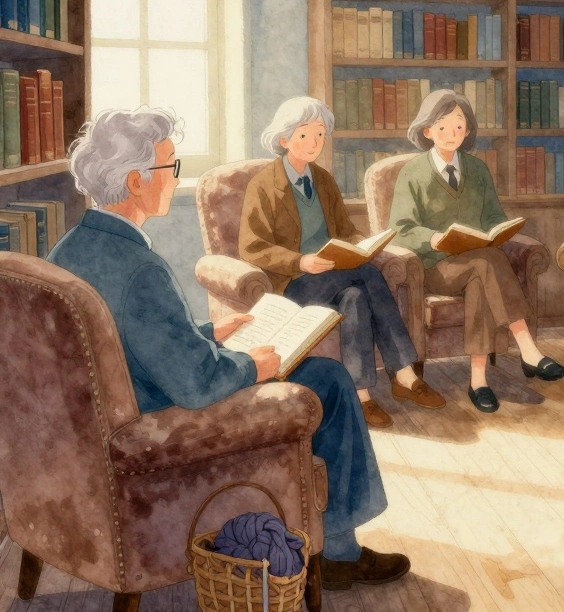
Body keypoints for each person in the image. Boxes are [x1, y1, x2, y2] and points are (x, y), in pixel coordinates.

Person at [47, 108, 409, 590]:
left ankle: (333, 542)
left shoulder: (70, 249)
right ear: (135, 182)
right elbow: (197, 384)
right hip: (157, 418)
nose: (174, 180)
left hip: (115, 408)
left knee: (314, 370)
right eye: (169, 167)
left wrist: (204, 331)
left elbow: (126, 334)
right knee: (329, 380)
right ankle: (341, 551)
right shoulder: (141, 269)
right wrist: (252, 365)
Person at [240, 96, 435, 430]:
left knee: (356, 298)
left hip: (337, 278)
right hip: (295, 285)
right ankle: (403, 373)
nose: (314, 142)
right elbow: (252, 246)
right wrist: (301, 261)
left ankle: (361, 396)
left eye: (319, 134)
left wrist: (362, 245)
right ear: (284, 139)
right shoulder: (263, 185)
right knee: (369, 275)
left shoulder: (324, 180)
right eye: (304, 135)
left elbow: (345, 230)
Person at [388, 88, 564, 414]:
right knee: (488, 264)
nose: (450, 133)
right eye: (442, 125)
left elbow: (493, 217)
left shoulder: (479, 170)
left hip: (475, 265)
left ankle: (479, 381)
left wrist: (500, 230)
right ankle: (528, 349)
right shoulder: (412, 173)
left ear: (468, 131)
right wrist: (434, 239)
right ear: (427, 130)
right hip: (434, 268)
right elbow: (400, 229)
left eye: (459, 125)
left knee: (482, 274)